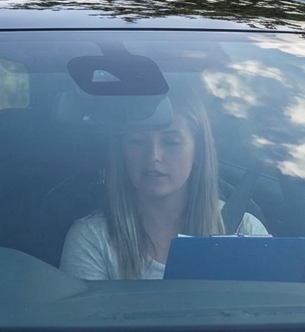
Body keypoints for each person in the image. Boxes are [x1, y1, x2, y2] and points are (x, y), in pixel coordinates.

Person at [59, 89, 268, 280]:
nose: (154, 156)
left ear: (199, 152)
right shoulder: (92, 239)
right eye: (137, 141)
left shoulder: (247, 232)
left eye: (171, 142)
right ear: (122, 152)